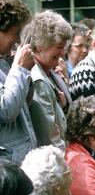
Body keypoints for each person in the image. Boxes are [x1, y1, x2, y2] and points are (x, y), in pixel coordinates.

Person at [24, 10, 72, 150]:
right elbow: (49, 138)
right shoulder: (37, 79)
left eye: (64, 47)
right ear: (40, 46)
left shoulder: (50, 71)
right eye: (58, 47)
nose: (63, 52)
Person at [0, 0, 37, 165]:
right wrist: (21, 69)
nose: (16, 40)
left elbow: (23, 105)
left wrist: (26, 74)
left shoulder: (3, 61)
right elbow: (6, 110)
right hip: (7, 167)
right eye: (15, 33)